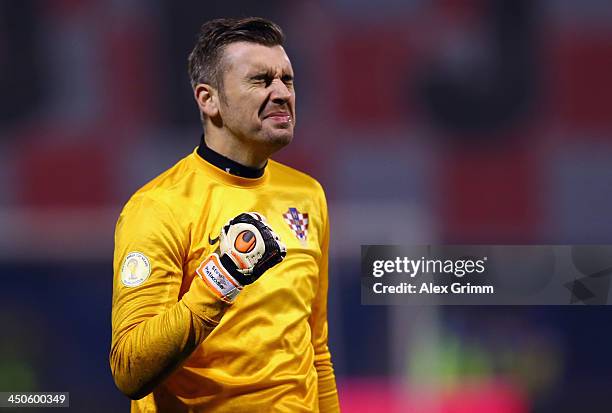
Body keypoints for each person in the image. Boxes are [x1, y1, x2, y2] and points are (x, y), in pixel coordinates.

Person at [110, 17, 340, 412]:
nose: (282, 93)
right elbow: (130, 369)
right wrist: (222, 279)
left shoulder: (307, 195)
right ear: (207, 99)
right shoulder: (159, 207)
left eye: (287, 79)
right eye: (260, 80)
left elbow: (316, 350)